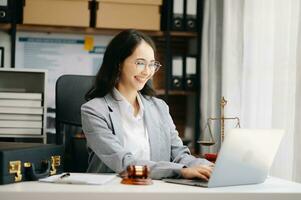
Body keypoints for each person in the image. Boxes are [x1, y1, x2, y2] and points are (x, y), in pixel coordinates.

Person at [81, 29, 213, 180]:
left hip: (154, 190)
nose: (147, 71)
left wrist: (207, 166)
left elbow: (179, 155)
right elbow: (125, 164)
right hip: (112, 191)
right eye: (140, 63)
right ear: (119, 63)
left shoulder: (159, 107)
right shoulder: (94, 111)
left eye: (152, 64)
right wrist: (181, 171)